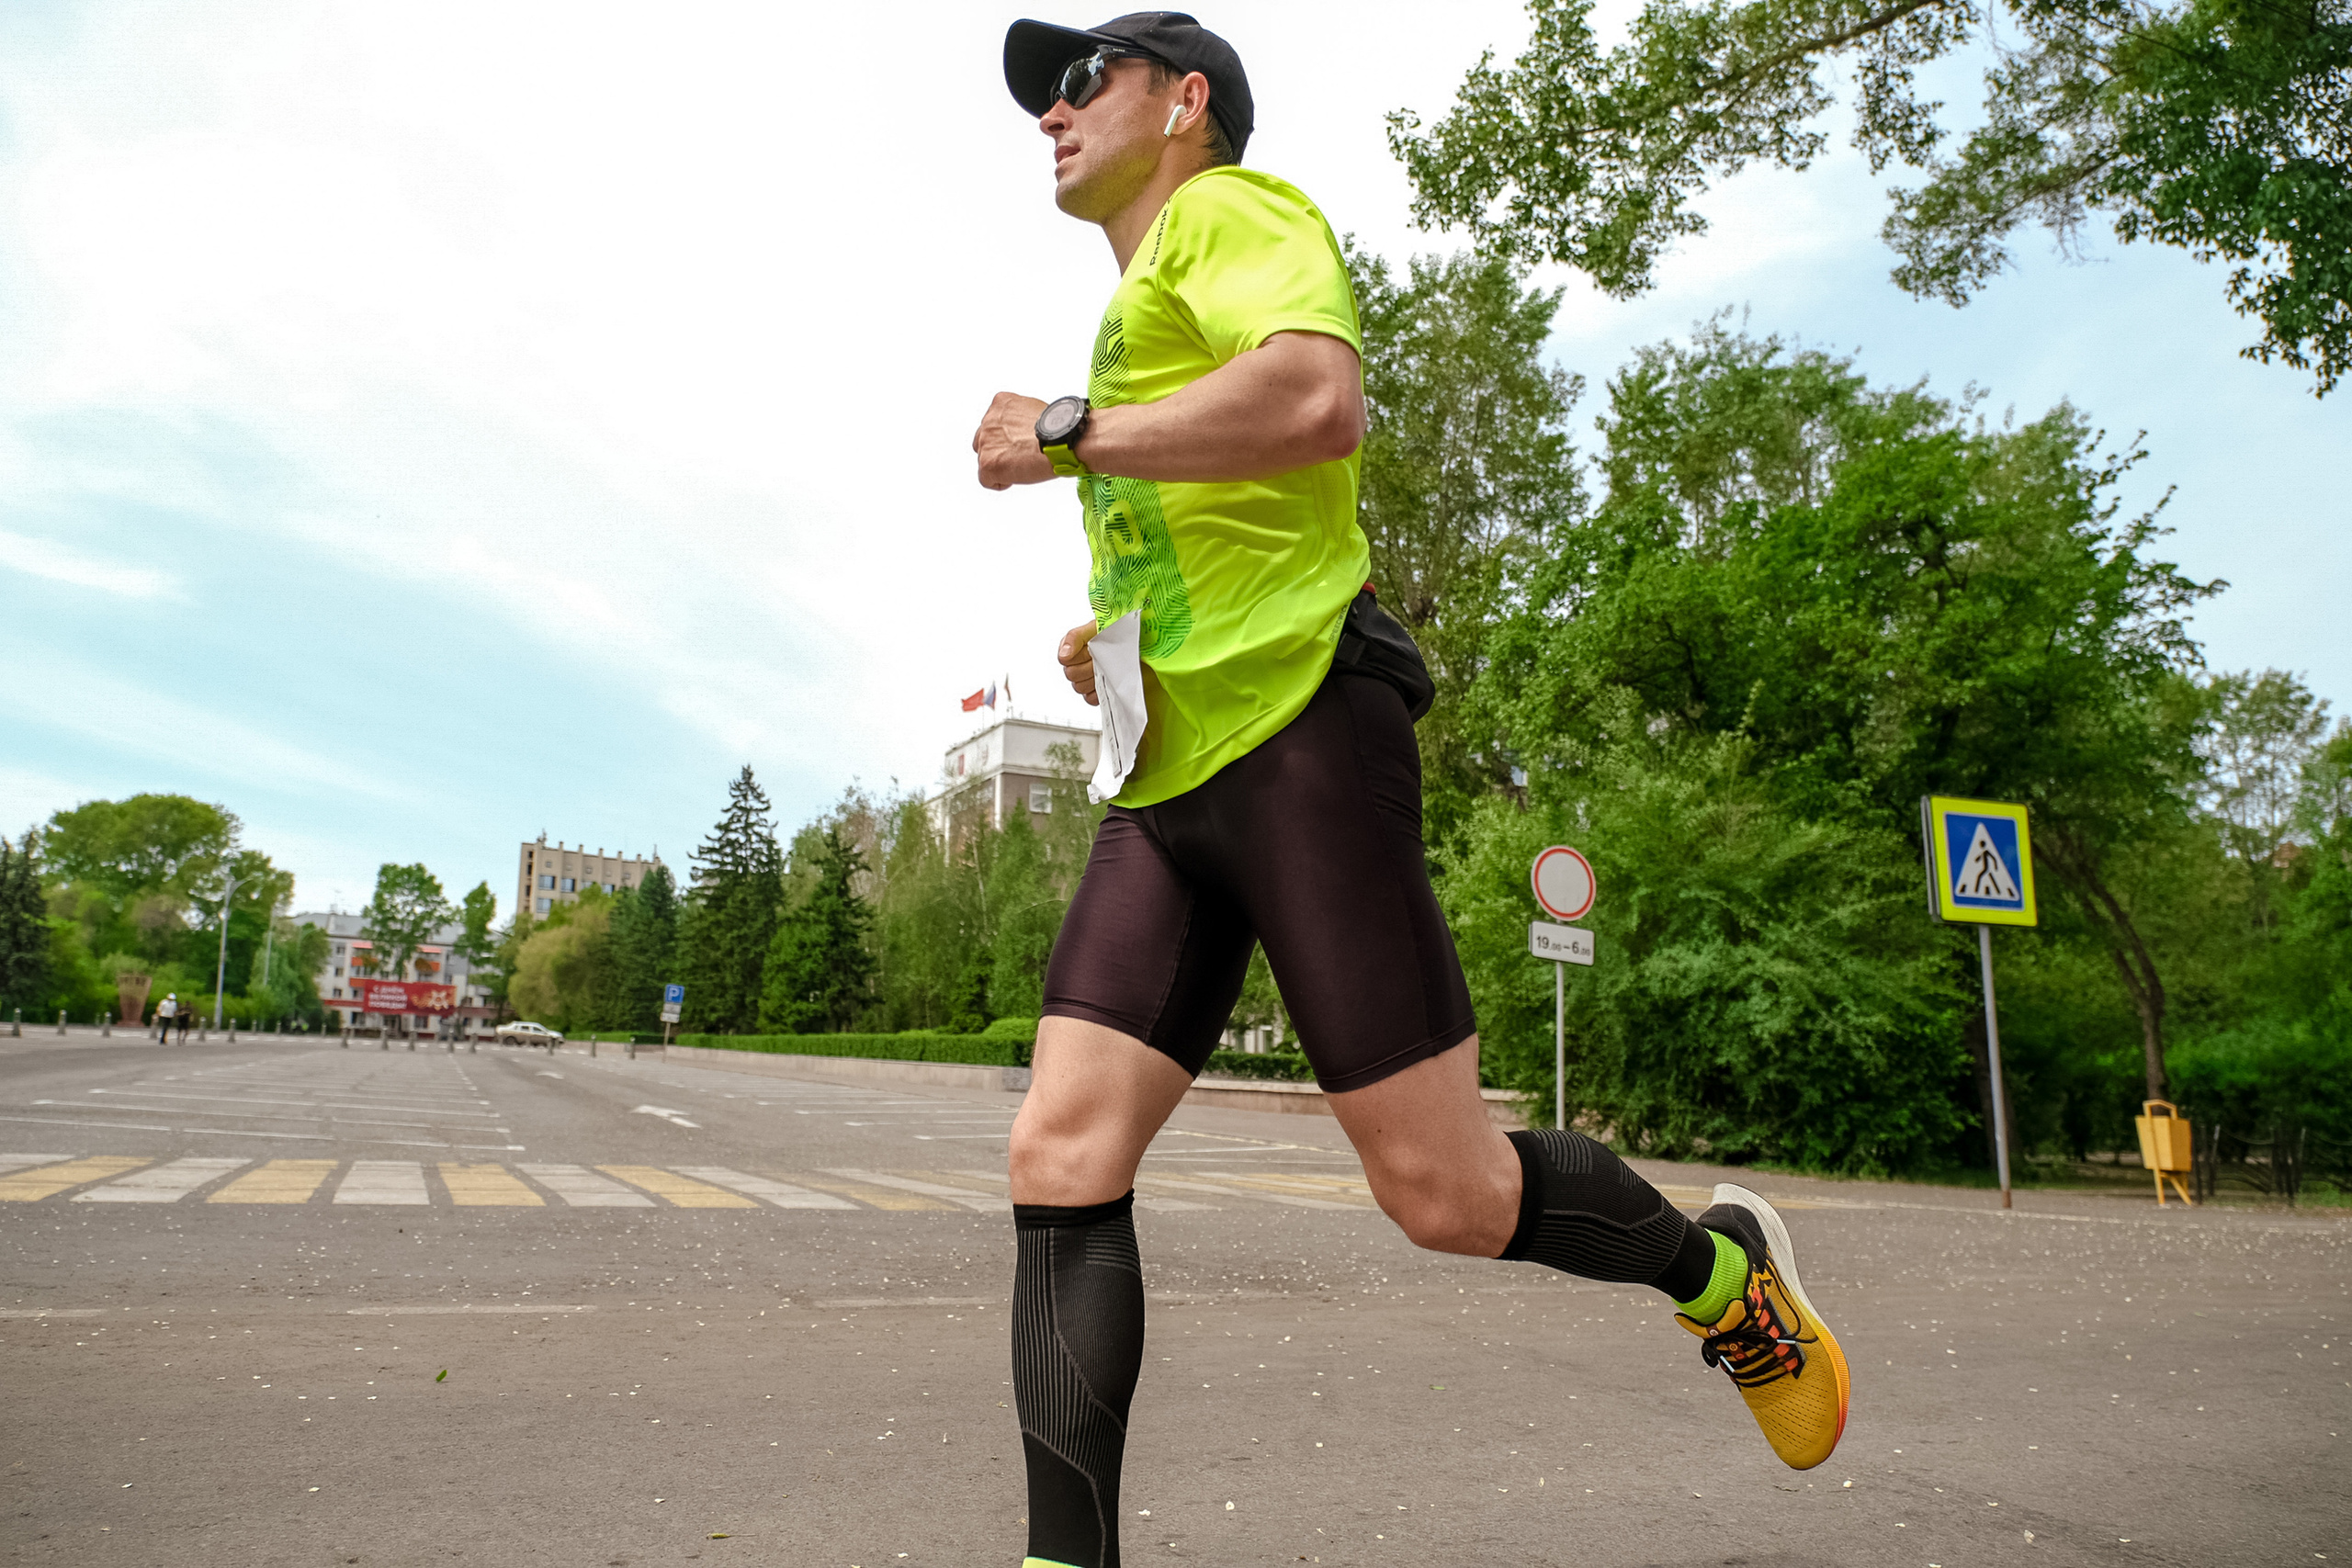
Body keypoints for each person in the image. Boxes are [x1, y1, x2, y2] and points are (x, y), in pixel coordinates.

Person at [973, 15, 1851, 1568]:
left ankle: (1727, 1282)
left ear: (1185, 102)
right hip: (1167, 773)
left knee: (1446, 1194)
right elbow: (1238, 518)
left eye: (1080, 76)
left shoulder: (1235, 213)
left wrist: (1064, 433)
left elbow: (1318, 406)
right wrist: (1111, 641)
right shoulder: (1136, 310)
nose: (1049, 108)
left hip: (1306, 728)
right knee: (1061, 1149)